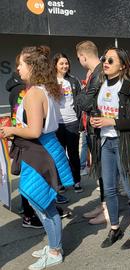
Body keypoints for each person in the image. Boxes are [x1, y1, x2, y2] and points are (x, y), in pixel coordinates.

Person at [0, 46, 74, 270]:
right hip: (42, 150)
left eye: (21, 64)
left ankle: (55, 250)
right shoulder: (42, 89)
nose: (18, 69)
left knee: (42, 204)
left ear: (32, 66)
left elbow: (33, 131)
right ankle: (54, 244)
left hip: (39, 152)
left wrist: (11, 130)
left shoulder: (34, 93)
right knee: (41, 202)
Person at [90, 47, 130, 249]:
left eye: (111, 61)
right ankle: (115, 228)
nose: (105, 62)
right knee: (109, 190)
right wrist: (95, 121)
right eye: (105, 59)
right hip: (105, 143)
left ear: (122, 66)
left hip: (124, 143)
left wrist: (110, 121)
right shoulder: (99, 85)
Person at [5, 55, 43, 229]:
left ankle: (29, 211)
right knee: (29, 178)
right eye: (18, 65)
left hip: (20, 137)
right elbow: (26, 122)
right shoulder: (23, 91)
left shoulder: (20, 90)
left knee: (26, 177)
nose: (19, 68)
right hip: (25, 140)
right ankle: (29, 214)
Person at [75, 41, 108, 225]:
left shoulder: (98, 74)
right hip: (94, 129)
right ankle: (103, 204)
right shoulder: (96, 73)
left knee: (104, 171)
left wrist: (80, 90)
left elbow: (87, 103)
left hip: (99, 129)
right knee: (101, 171)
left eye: (79, 57)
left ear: (83, 56)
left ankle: (108, 208)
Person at [53, 53, 83, 193]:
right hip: (56, 124)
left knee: (73, 154)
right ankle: (60, 183)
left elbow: (79, 101)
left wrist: (79, 119)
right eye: (61, 63)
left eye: (66, 63)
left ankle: (76, 181)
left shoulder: (73, 80)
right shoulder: (50, 81)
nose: (65, 66)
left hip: (72, 122)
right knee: (58, 154)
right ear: (55, 65)